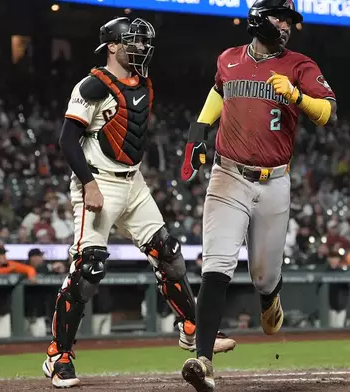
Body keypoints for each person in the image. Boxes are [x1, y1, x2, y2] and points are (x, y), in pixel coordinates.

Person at [42, 16, 235, 389]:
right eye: (133, 41)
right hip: (97, 182)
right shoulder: (92, 85)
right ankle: (58, 355)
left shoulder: (143, 82)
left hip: (134, 182)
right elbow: (67, 140)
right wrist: (88, 185)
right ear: (112, 46)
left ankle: (190, 327)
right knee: (89, 270)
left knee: (168, 252)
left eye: (144, 42)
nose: (142, 48)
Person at [179, 0, 337, 390]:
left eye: (289, 21)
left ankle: (270, 296)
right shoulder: (229, 58)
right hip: (228, 173)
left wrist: (297, 97)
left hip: (274, 181)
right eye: (279, 17)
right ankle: (203, 360)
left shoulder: (300, 65)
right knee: (216, 265)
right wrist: (199, 130)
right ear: (257, 17)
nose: (285, 26)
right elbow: (220, 91)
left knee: (264, 275)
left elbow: (328, 112)